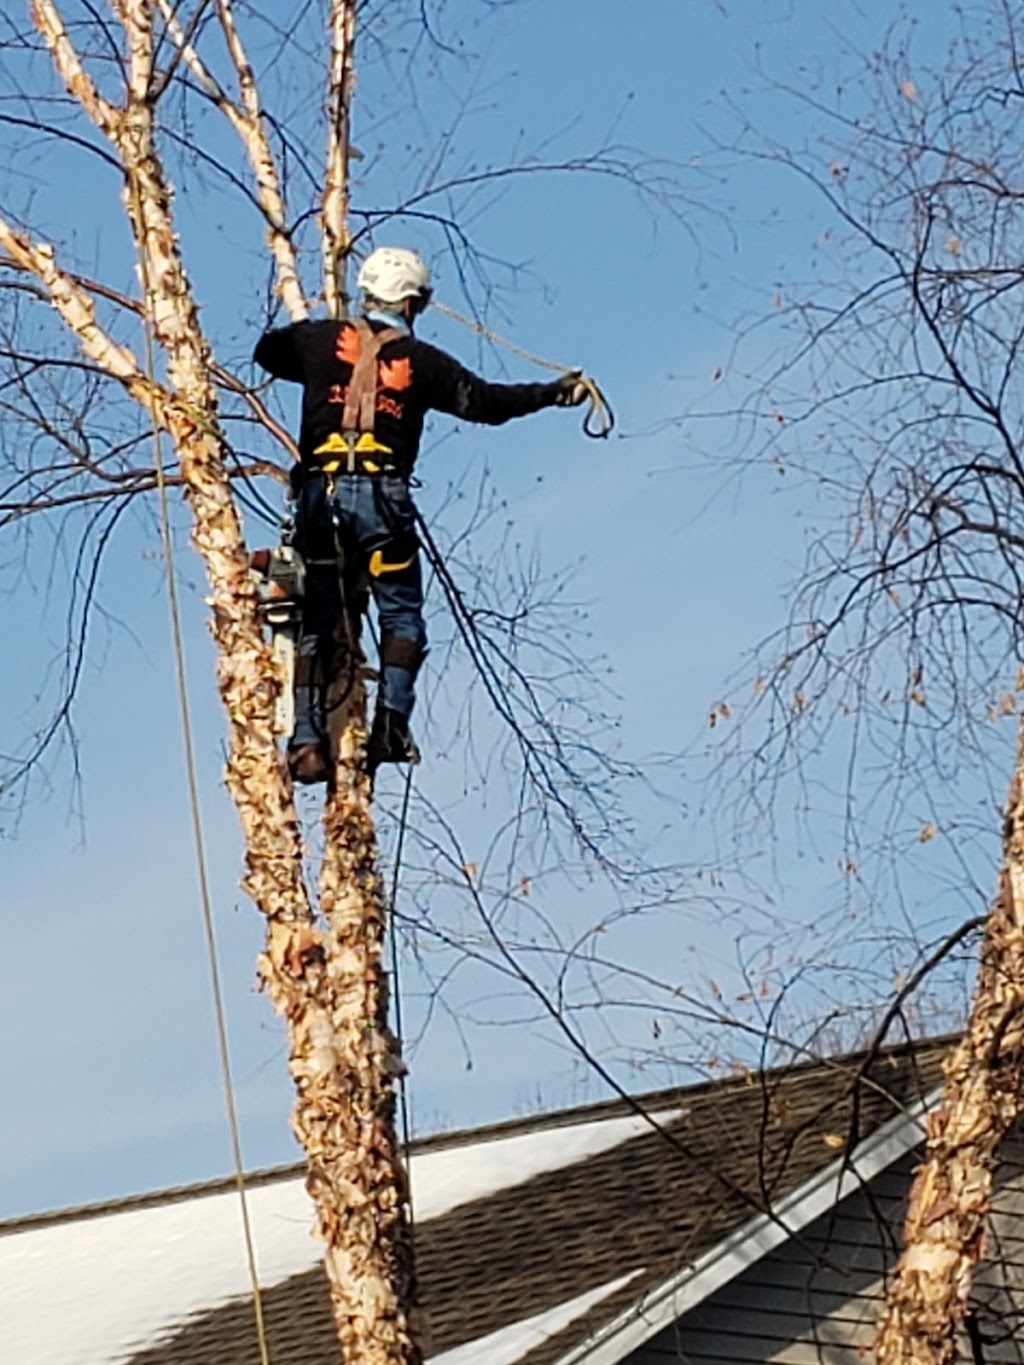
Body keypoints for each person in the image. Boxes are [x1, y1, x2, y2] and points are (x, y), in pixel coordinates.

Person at [254, 246, 588, 783]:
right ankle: (390, 725)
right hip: (383, 503)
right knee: (401, 613)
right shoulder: (424, 363)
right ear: (412, 302)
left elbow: (267, 352)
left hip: (323, 499)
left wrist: (314, 338)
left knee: (316, 613)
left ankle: (309, 740)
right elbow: (486, 403)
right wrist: (551, 394)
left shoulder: (318, 340)